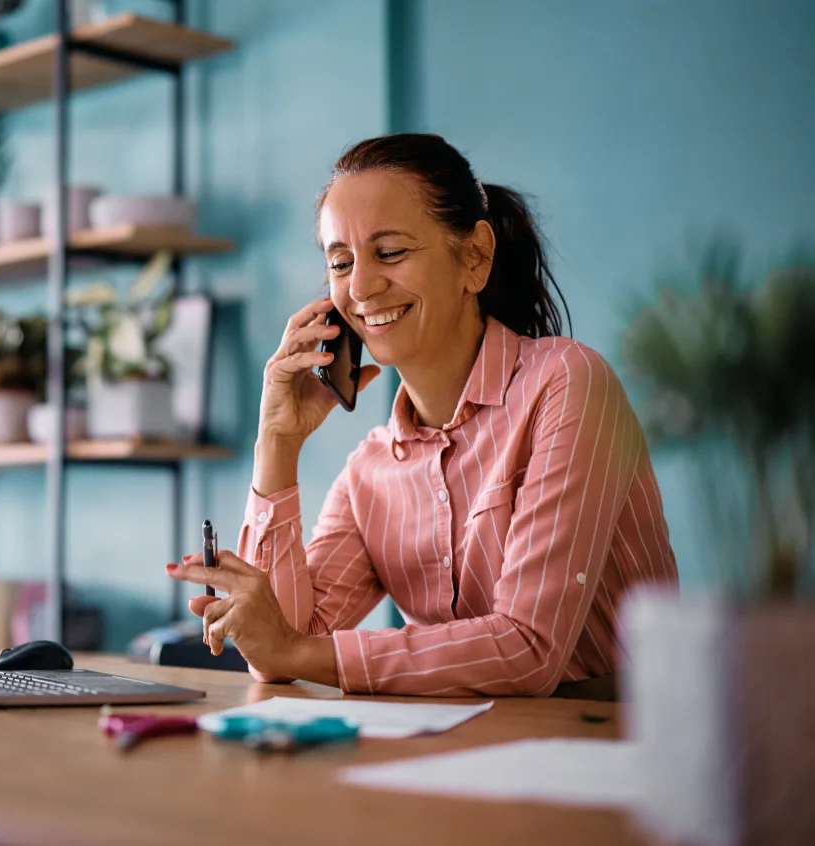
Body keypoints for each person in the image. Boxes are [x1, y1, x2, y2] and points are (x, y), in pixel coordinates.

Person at [166, 133, 678, 697]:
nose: (360, 287)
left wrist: (294, 650)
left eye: (391, 253)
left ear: (476, 257)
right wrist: (276, 443)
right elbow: (280, 650)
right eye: (341, 262)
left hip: (620, 742)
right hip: (460, 749)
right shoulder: (370, 474)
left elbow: (530, 647)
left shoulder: (567, 384)